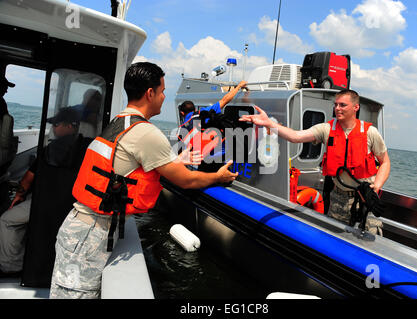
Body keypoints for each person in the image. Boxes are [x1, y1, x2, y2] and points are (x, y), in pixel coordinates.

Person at [49, 62, 238, 299]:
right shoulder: (146, 133)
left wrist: (179, 158)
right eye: (161, 91)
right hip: (90, 235)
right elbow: (187, 180)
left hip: (85, 227)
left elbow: (136, 164)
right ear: (150, 93)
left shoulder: (122, 121)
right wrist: (218, 177)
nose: (164, 96)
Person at [239, 89, 390, 234]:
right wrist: (269, 124)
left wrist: (376, 187)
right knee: (336, 239)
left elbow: (385, 162)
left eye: (342, 105)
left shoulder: (370, 132)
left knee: (369, 239)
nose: (337, 108)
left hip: (366, 197)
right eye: (336, 104)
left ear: (356, 107)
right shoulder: (326, 129)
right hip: (338, 198)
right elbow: (295, 136)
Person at [0, 107, 84, 277]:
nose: (53, 128)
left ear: (70, 126)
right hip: (71, 205)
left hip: (45, 203)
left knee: (7, 220)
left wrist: (19, 195)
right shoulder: (86, 146)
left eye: (57, 124)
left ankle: (11, 266)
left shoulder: (50, 149)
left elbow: (27, 179)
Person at [178, 80, 247, 171]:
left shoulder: (182, 129)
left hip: (203, 161)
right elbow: (225, 100)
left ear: (182, 113)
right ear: (194, 109)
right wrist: (238, 87)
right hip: (222, 155)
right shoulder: (205, 112)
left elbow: (181, 156)